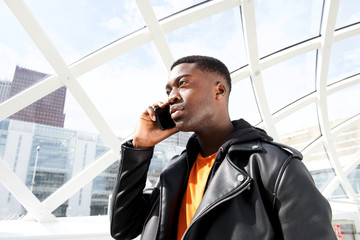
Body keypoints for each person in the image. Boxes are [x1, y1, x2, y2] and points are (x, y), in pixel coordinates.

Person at [110, 55, 336, 240]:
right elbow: (123, 228)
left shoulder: (275, 166)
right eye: (168, 90)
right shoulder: (174, 171)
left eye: (183, 83)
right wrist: (139, 148)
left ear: (219, 91)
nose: (171, 98)